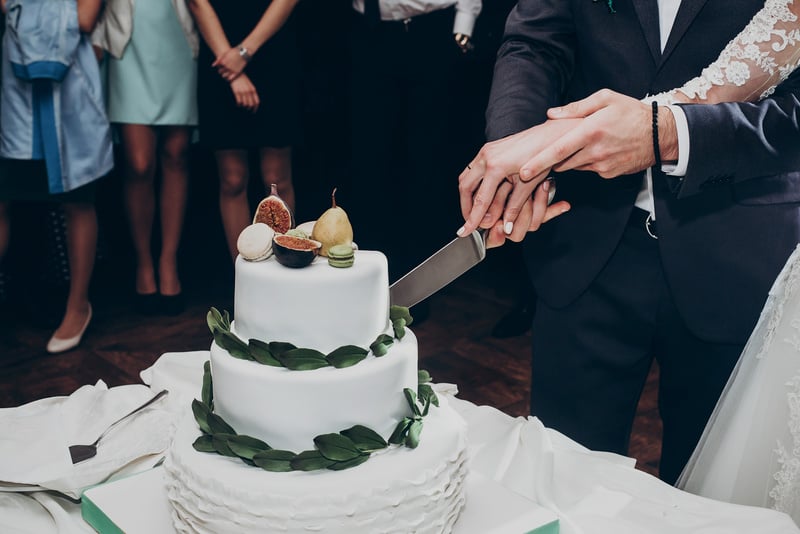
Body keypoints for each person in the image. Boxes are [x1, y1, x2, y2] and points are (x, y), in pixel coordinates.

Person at [458, 0, 800, 485]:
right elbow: (534, 43)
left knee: (711, 500)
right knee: (562, 481)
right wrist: (524, 153)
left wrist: (671, 135)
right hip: (583, 248)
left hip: (741, 254)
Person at [0, 0, 112, 353]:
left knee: (77, 197)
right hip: (15, 90)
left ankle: (78, 306)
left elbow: (84, 17)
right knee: (4, 194)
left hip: (70, 88)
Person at [348, 0, 482, 287]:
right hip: (366, 31)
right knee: (369, 159)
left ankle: (417, 283)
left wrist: (463, 29)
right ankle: (371, 278)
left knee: (424, 160)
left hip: (429, 31)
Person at [93, 0, 198, 315]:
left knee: (176, 154)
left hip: (178, 33)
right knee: (139, 163)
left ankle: (168, 260)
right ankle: (143, 262)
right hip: (129, 37)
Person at [187, 0, 301, 261]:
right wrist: (232, 69)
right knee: (232, 178)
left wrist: (244, 52)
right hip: (219, 51)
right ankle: (243, 277)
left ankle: (285, 270)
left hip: (272, 46)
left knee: (277, 178)